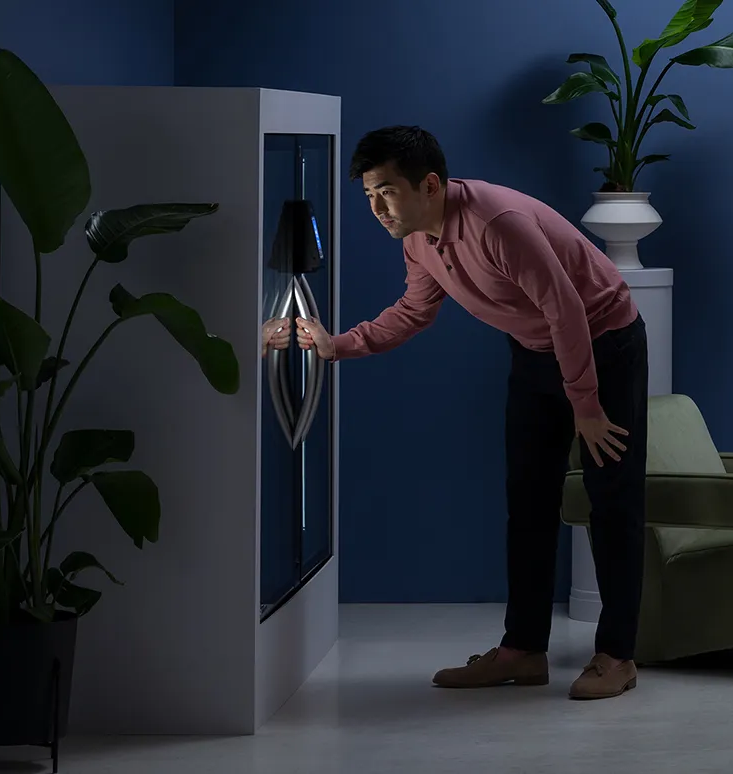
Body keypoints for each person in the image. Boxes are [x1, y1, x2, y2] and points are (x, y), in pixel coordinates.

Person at [270, 125, 648, 700]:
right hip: (535, 350)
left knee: (612, 499)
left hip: (604, 343)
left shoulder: (500, 226)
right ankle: (523, 650)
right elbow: (414, 310)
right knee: (527, 501)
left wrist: (587, 406)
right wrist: (336, 344)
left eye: (387, 193)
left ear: (428, 184)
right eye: (368, 195)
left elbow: (567, 309)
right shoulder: (419, 237)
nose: (376, 208)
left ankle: (618, 654)